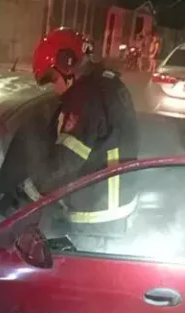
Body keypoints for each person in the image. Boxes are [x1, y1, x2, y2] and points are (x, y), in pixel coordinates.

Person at [15, 27, 139, 237]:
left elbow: (66, 159)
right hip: (117, 210)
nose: (55, 89)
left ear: (68, 63)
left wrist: (26, 193)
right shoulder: (109, 84)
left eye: (53, 79)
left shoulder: (86, 98)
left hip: (96, 218)